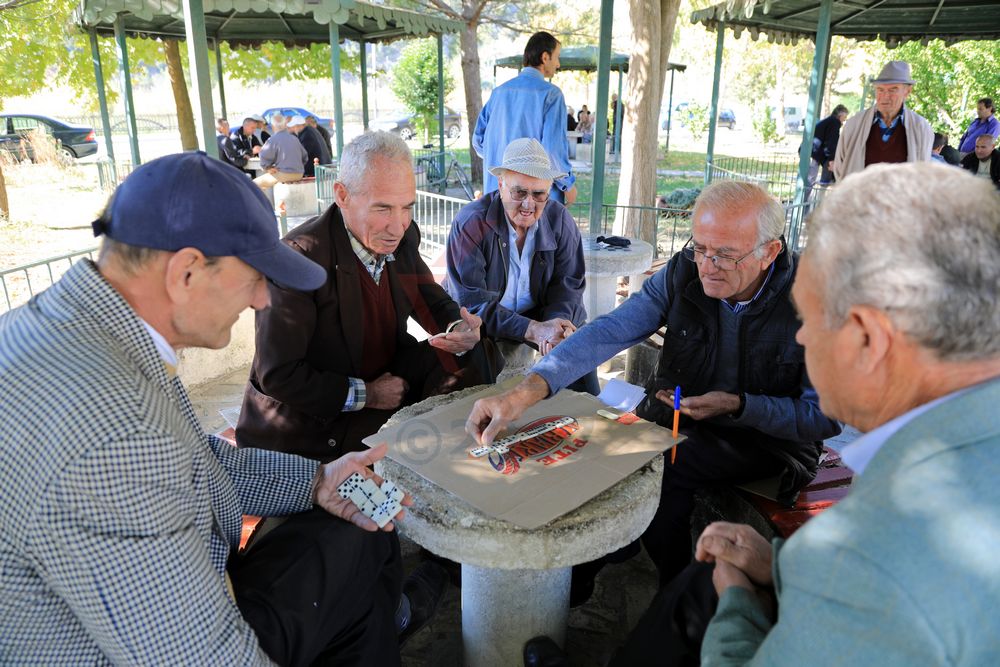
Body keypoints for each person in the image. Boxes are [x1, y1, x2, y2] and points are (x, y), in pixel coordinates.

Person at [0, 151, 444, 664]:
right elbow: (198, 655)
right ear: (187, 271)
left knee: (366, 530)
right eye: (255, 275)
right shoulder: (115, 436)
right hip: (163, 635)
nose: (260, 300)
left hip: (166, 601)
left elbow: (195, 458)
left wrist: (318, 481)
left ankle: (383, 625)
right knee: (360, 560)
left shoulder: (76, 328)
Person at [596, 161, 1000, 667]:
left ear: (867, 339)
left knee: (705, 580)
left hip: (770, 459)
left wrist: (740, 601)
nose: (802, 337)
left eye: (810, 321)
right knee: (698, 579)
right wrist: (780, 566)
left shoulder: (886, 543)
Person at [465, 180, 841, 600]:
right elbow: (609, 331)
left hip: (767, 441)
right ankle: (587, 571)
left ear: (770, 251)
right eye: (700, 248)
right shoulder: (683, 271)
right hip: (676, 415)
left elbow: (824, 417)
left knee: (661, 467)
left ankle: (677, 598)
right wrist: (522, 393)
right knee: (594, 448)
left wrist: (738, 406)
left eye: (725, 255)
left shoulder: (814, 295)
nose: (708, 266)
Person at [237, 131, 500, 462]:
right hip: (319, 418)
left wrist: (456, 328)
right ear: (343, 195)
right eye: (383, 208)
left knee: (477, 351)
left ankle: (468, 448)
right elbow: (278, 375)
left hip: (385, 375)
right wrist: (368, 394)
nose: (398, 225)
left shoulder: (401, 236)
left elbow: (427, 297)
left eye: (407, 207)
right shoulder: (300, 259)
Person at [445, 138, 599, 395]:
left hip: (539, 312)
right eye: (519, 193)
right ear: (501, 185)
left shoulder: (559, 219)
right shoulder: (471, 222)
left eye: (539, 194)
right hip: (485, 320)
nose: (529, 204)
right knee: (472, 374)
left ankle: (585, 420)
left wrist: (557, 324)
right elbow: (473, 303)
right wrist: (532, 329)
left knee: (577, 349)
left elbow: (568, 285)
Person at [473, 31, 577, 205]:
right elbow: (552, 151)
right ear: (545, 57)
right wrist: (568, 185)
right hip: (534, 202)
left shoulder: (498, 93)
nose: (558, 64)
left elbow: (478, 141)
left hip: (497, 198)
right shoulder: (551, 95)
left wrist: (504, 164)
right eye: (557, 57)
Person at [834, 61, 933, 181]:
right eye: (880, 89)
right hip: (860, 198)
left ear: (907, 91)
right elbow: (840, 168)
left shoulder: (921, 128)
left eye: (893, 89)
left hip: (900, 199)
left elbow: (922, 174)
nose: (885, 96)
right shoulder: (854, 125)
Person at [253, 113, 307, 190]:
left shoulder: (273, 140)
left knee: (253, 184)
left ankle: (265, 202)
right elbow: (305, 157)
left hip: (284, 175)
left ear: (273, 126)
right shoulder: (294, 138)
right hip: (299, 174)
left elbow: (263, 155)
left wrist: (267, 167)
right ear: (285, 125)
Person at [808, 104, 848, 185]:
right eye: (845, 117)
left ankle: (824, 182)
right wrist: (831, 159)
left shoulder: (830, 121)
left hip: (814, 149)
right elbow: (832, 142)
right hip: (815, 150)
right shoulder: (834, 122)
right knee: (810, 179)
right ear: (840, 115)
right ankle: (824, 183)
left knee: (810, 178)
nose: (844, 120)